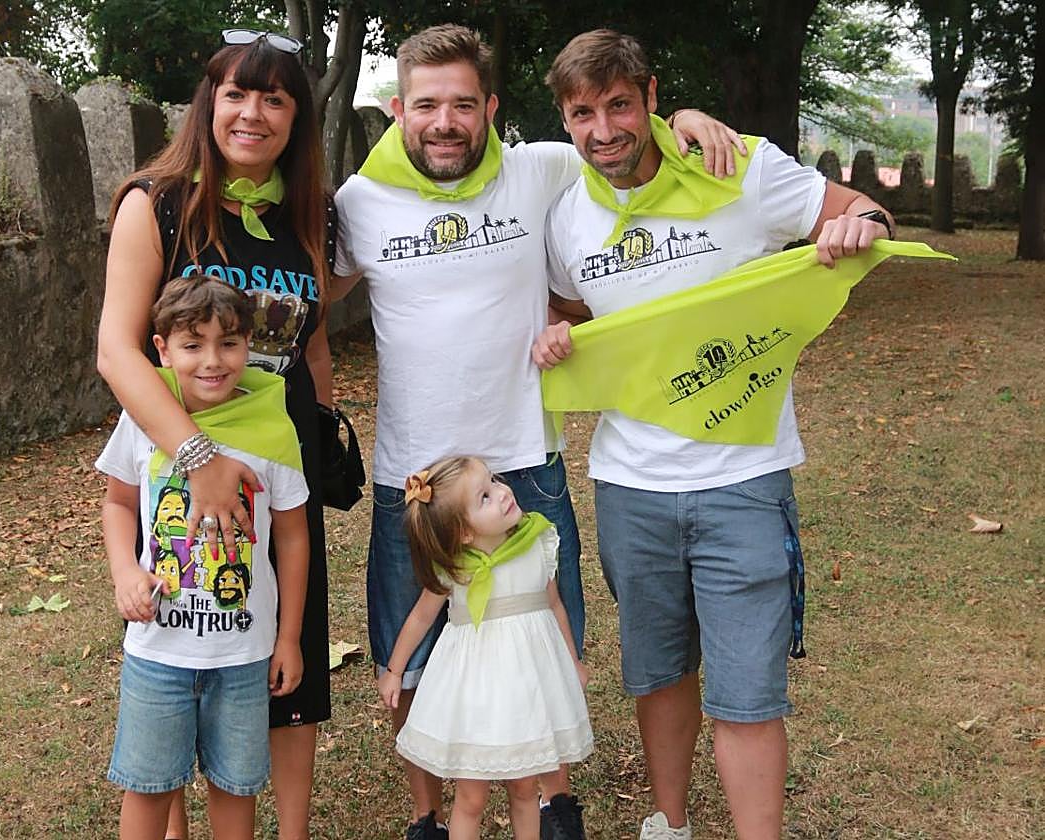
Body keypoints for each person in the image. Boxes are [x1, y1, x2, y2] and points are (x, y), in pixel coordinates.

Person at [331, 23, 744, 840]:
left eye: (460, 104)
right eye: (425, 105)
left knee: (544, 648)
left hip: (521, 461)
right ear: (396, 109)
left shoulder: (542, 169)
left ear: (489, 108)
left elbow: (624, 152)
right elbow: (307, 297)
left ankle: (550, 804)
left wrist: (684, 119)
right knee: (411, 652)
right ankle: (428, 814)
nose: (443, 122)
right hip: (412, 477)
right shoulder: (357, 202)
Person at [532, 30, 896, 840]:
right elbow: (570, 310)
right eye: (582, 112)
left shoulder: (742, 166)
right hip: (629, 487)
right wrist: (561, 336)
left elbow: (862, 210)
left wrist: (855, 224)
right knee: (659, 676)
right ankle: (670, 824)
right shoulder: (566, 217)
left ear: (652, 97)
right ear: (564, 120)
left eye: (619, 104)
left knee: (746, 691)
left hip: (744, 480)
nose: (603, 130)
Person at [96, 30, 335, 840]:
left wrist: (323, 432)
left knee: (280, 669)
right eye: (236, 92)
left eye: (274, 97)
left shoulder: (307, 210)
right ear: (209, 102)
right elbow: (117, 350)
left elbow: (314, 338)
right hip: (184, 462)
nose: (253, 112)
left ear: (296, 116)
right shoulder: (156, 201)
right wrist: (196, 461)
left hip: (276, 464)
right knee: (185, 653)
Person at [97, 276, 309, 840]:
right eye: (193, 345)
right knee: (147, 788)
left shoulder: (272, 427)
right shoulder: (143, 420)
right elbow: (118, 503)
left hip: (242, 655)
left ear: (249, 346)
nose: (213, 361)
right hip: (157, 654)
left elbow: (291, 537)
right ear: (161, 349)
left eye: (229, 343)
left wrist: (288, 638)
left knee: (235, 789)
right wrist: (125, 571)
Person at [378, 457, 592, 840]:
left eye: (494, 482)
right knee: (471, 797)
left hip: (527, 688)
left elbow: (555, 605)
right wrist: (394, 670)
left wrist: (571, 660)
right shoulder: (456, 567)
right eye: (485, 497)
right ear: (463, 533)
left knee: (525, 788)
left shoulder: (536, 543)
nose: (503, 493)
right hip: (475, 694)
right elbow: (420, 617)